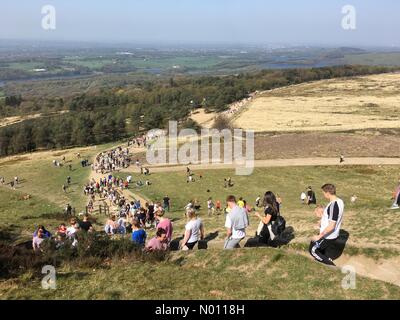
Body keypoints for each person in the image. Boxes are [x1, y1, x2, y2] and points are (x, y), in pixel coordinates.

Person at [309, 184, 345, 266]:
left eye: (324, 193)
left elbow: (331, 226)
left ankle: (331, 266)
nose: (323, 195)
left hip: (328, 235)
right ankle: (323, 259)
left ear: (328, 193)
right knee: (313, 243)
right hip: (331, 234)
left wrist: (319, 236)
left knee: (312, 250)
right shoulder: (340, 201)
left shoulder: (333, 205)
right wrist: (321, 222)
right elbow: (331, 217)